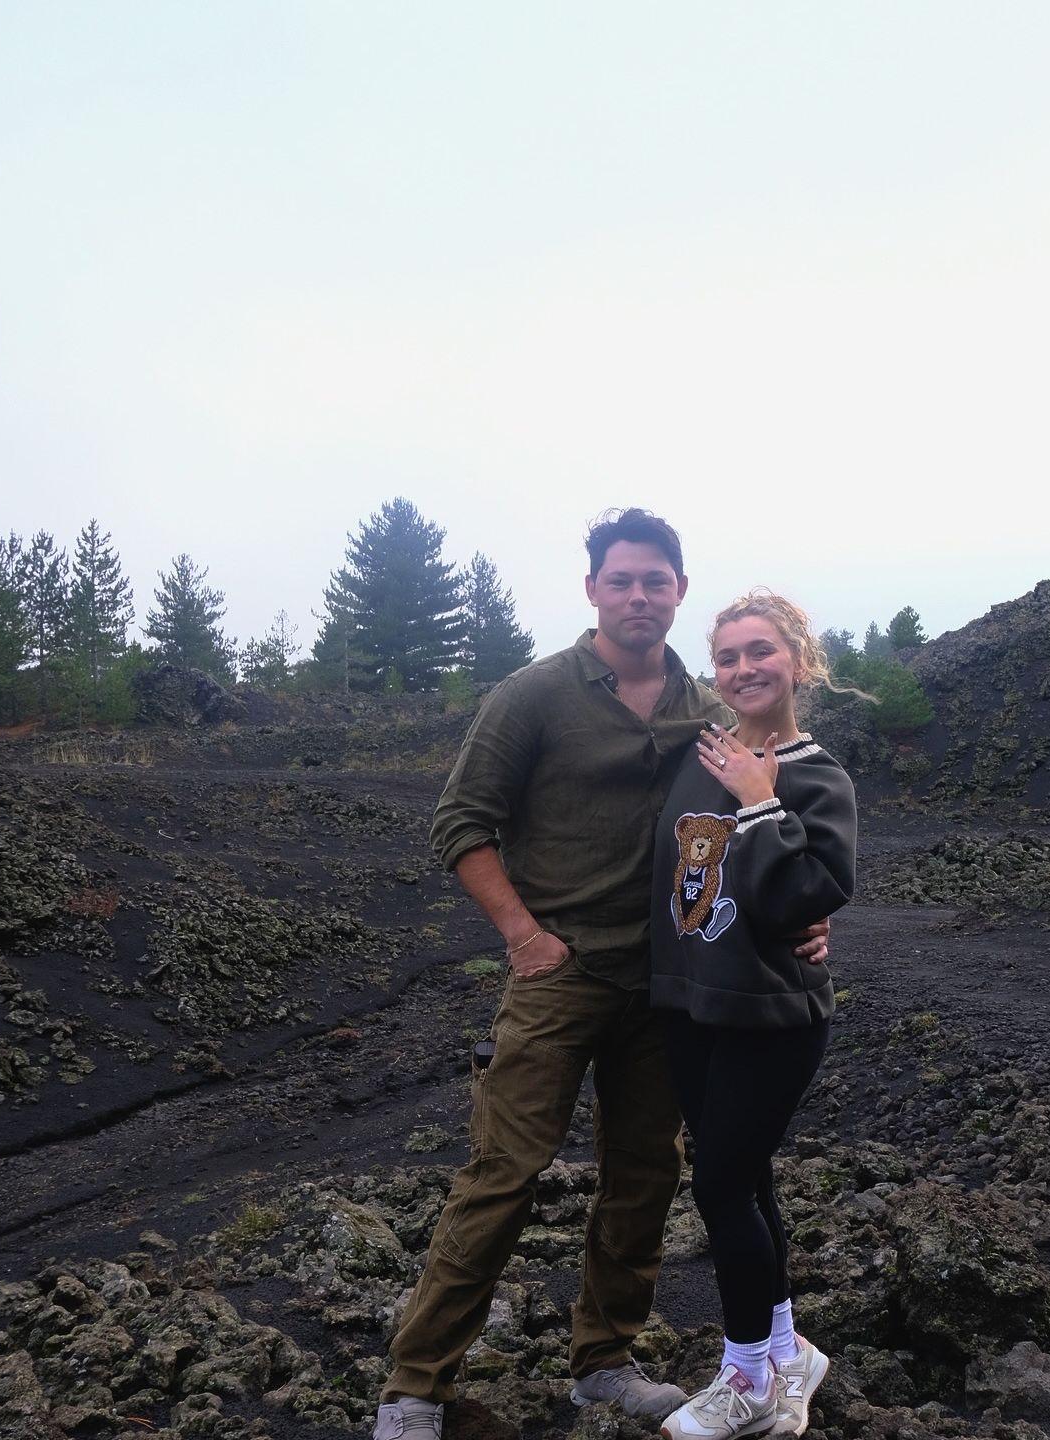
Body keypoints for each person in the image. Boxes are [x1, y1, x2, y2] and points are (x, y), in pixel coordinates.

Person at [375, 513, 829, 1440]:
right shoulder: (533, 696)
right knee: (503, 1173)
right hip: (559, 975)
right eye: (620, 581)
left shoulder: (704, 712)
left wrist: (807, 913)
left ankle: (605, 1363)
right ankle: (416, 1389)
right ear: (592, 590)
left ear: (679, 591)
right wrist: (523, 937)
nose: (637, 597)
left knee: (645, 1175)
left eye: (655, 581)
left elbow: (752, 829)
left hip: (667, 986)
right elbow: (459, 822)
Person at [651, 592, 857, 1440]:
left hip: (772, 1016)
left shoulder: (817, 775)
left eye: (761, 651)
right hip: (691, 1005)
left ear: (798, 662)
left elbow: (810, 894)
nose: (744, 669)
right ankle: (784, 1352)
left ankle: (746, 1383)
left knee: (721, 1186)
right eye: (729, 656)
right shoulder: (698, 755)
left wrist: (763, 803)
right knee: (747, 1177)